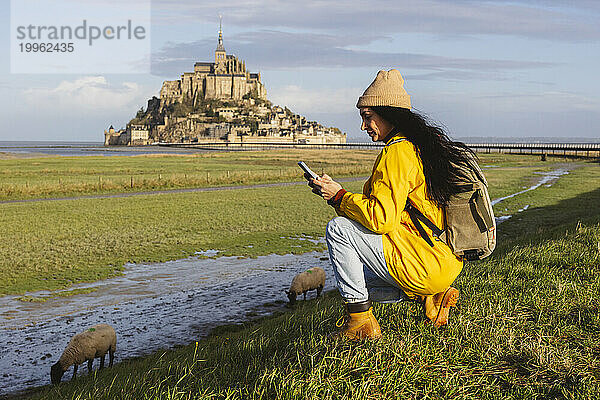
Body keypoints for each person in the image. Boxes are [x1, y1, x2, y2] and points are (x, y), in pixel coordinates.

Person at [310, 69, 476, 340]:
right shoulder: (417, 147)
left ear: (389, 114)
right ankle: (431, 297)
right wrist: (336, 196)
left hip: (424, 261)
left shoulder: (397, 151)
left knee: (339, 229)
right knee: (351, 280)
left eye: (368, 117)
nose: (364, 127)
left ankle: (360, 323)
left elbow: (382, 219)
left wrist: (340, 197)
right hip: (442, 262)